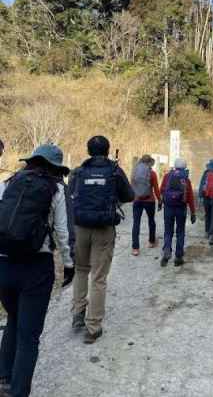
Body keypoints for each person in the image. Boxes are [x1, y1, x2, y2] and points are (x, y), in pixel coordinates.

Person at [0, 144, 74, 397]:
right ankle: (18, 392)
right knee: (29, 335)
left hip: (4, 263)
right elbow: (63, 232)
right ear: (56, 168)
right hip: (36, 267)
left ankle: (3, 377)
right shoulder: (56, 189)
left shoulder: (9, 182)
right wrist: (69, 264)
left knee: (13, 317)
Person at [69, 136, 134, 344]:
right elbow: (130, 196)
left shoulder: (78, 172)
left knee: (81, 270)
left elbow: (72, 196)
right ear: (107, 151)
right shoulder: (115, 171)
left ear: (88, 151)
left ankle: (77, 315)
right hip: (104, 228)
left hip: (80, 227)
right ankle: (93, 327)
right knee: (98, 277)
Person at [160, 158, 196, 267]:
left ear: (174, 166)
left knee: (168, 231)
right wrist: (193, 212)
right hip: (181, 208)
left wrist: (161, 202)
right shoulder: (185, 179)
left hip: (169, 207)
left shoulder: (167, 176)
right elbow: (190, 197)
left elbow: (162, 190)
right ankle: (178, 257)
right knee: (180, 232)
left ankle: (167, 250)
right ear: (185, 167)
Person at [131, 154, 162, 256]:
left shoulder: (135, 172)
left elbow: (132, 186)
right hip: (149, 200)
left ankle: (135, 248)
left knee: (136, 223)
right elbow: (156, 189)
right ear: (149, 162)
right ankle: (151, 242)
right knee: (151, 221)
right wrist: (160, 200)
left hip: (137, 200)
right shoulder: (152, 173)